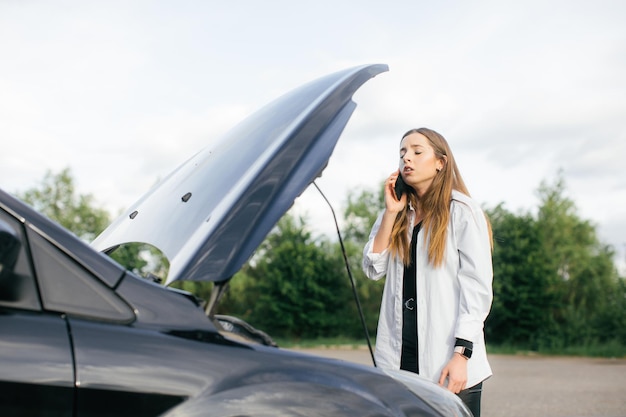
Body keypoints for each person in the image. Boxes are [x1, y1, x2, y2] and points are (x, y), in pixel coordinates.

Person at [362, 127, 493, 416]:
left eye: (417, 152)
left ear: (440, 162)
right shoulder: (395, 212)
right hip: (397, 361)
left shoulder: (462, 211)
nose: (407, 158)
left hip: (449, 361)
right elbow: (373, 268)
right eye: (402, 153)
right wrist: (391, 213)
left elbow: (477, 289)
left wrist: (462, 355)